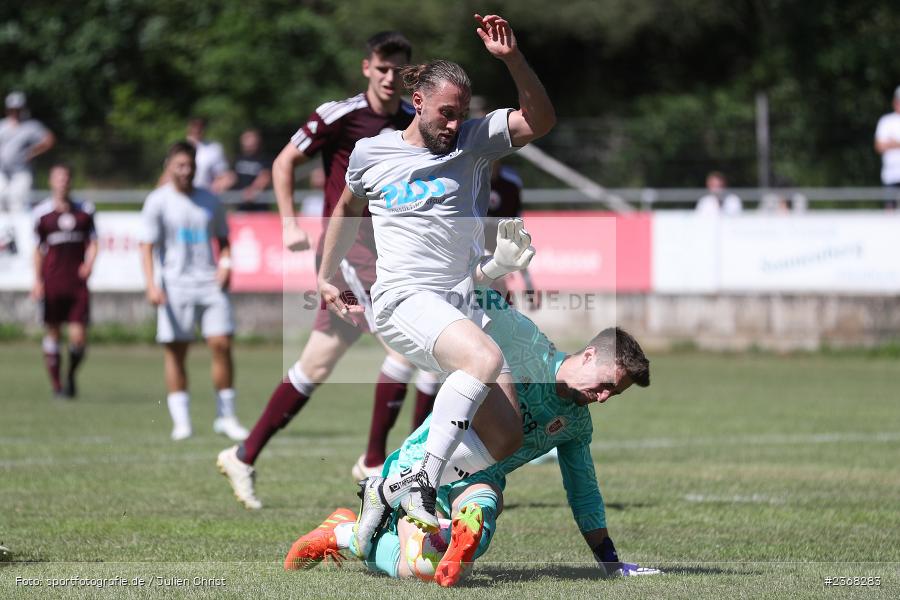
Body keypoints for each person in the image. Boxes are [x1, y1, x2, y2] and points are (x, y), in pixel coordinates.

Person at [317, 13, 555, 555]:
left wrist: (512, 60)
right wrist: (326, 274)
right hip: (402, 303)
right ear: (418, 102)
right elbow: (346, 207)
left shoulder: (473, 143)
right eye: (446, 113)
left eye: (461, 114)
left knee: (506, 438)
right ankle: (420, 481)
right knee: (485, 360)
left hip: (455, 310)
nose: (453, 124)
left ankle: (388, 485)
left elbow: (539, 120)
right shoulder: (372, 152)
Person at [284, 298, 658, 587]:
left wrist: (610, 563)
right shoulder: (524, 342)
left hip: (479, 481)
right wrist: (492, 266)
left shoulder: (576, 424)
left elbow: (584, 491)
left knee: (471, 520)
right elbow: (470, 296)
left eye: (614, 393)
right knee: (420, 567)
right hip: (424, 462)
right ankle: (344, 532)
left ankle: (456, 531)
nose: (604, 397)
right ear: (589, 355)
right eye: (606, 384)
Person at [216, 30, 440, 510]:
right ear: (367, 68)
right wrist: (289, 223)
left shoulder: (411, 121)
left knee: (315, 365)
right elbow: (283, 163)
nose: (389, 77)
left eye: (398, 70)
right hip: (347, 258)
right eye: (381, 68)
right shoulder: (338, 114)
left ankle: (243, 454)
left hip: (389, 258)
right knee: (407, 347)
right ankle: (376, 464)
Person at [139, 141, 248, 442]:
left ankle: (226, 417)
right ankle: (182, 421)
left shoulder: (210, 200)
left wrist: (226, 264)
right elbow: (146, 246)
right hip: (175, 286)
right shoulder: (157, 201)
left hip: (210, 284)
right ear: (169, 167)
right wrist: (151, 284)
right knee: (177, 351)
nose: (186, 171)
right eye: (181, 166)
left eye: (191, 166)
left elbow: (224, 240)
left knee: (222, 344)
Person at [31, 163, 97, 398]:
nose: (63, 182)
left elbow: (93, 242)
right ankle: (58, 385)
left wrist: (89, 264)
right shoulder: (42, 214)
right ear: (51, 181)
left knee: (79, 338)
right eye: (58, 177)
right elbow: (38, 250)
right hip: (53, 282)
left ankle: (70, 376)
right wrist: (37, 281)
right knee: (54, 333)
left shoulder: (85, 211)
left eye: (66, 177)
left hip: (77, 283)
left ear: (71, 181)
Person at [0, 91, 56, 213]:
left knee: (18, 204)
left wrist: (33, 152)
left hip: (21, 172)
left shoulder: (31, 126)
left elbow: (49, 139)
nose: (15, 112)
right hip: (2, 172)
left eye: (17, 109)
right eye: (12, 109)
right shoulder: (2, 126)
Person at [232, 128, 272, 212]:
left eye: (251, 138)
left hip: (259, 207)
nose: (249, 142)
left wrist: (252, 190)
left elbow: (265, 177)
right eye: (246, 138)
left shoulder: (264, 159)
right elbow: (231, 176)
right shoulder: (237, 159)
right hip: (241, 206)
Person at [875, 85, 900, 210]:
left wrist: (892, 143)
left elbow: (885, 144)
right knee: (889, 209)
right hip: (890, 174)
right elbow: (879, 146)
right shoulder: (886, 121)